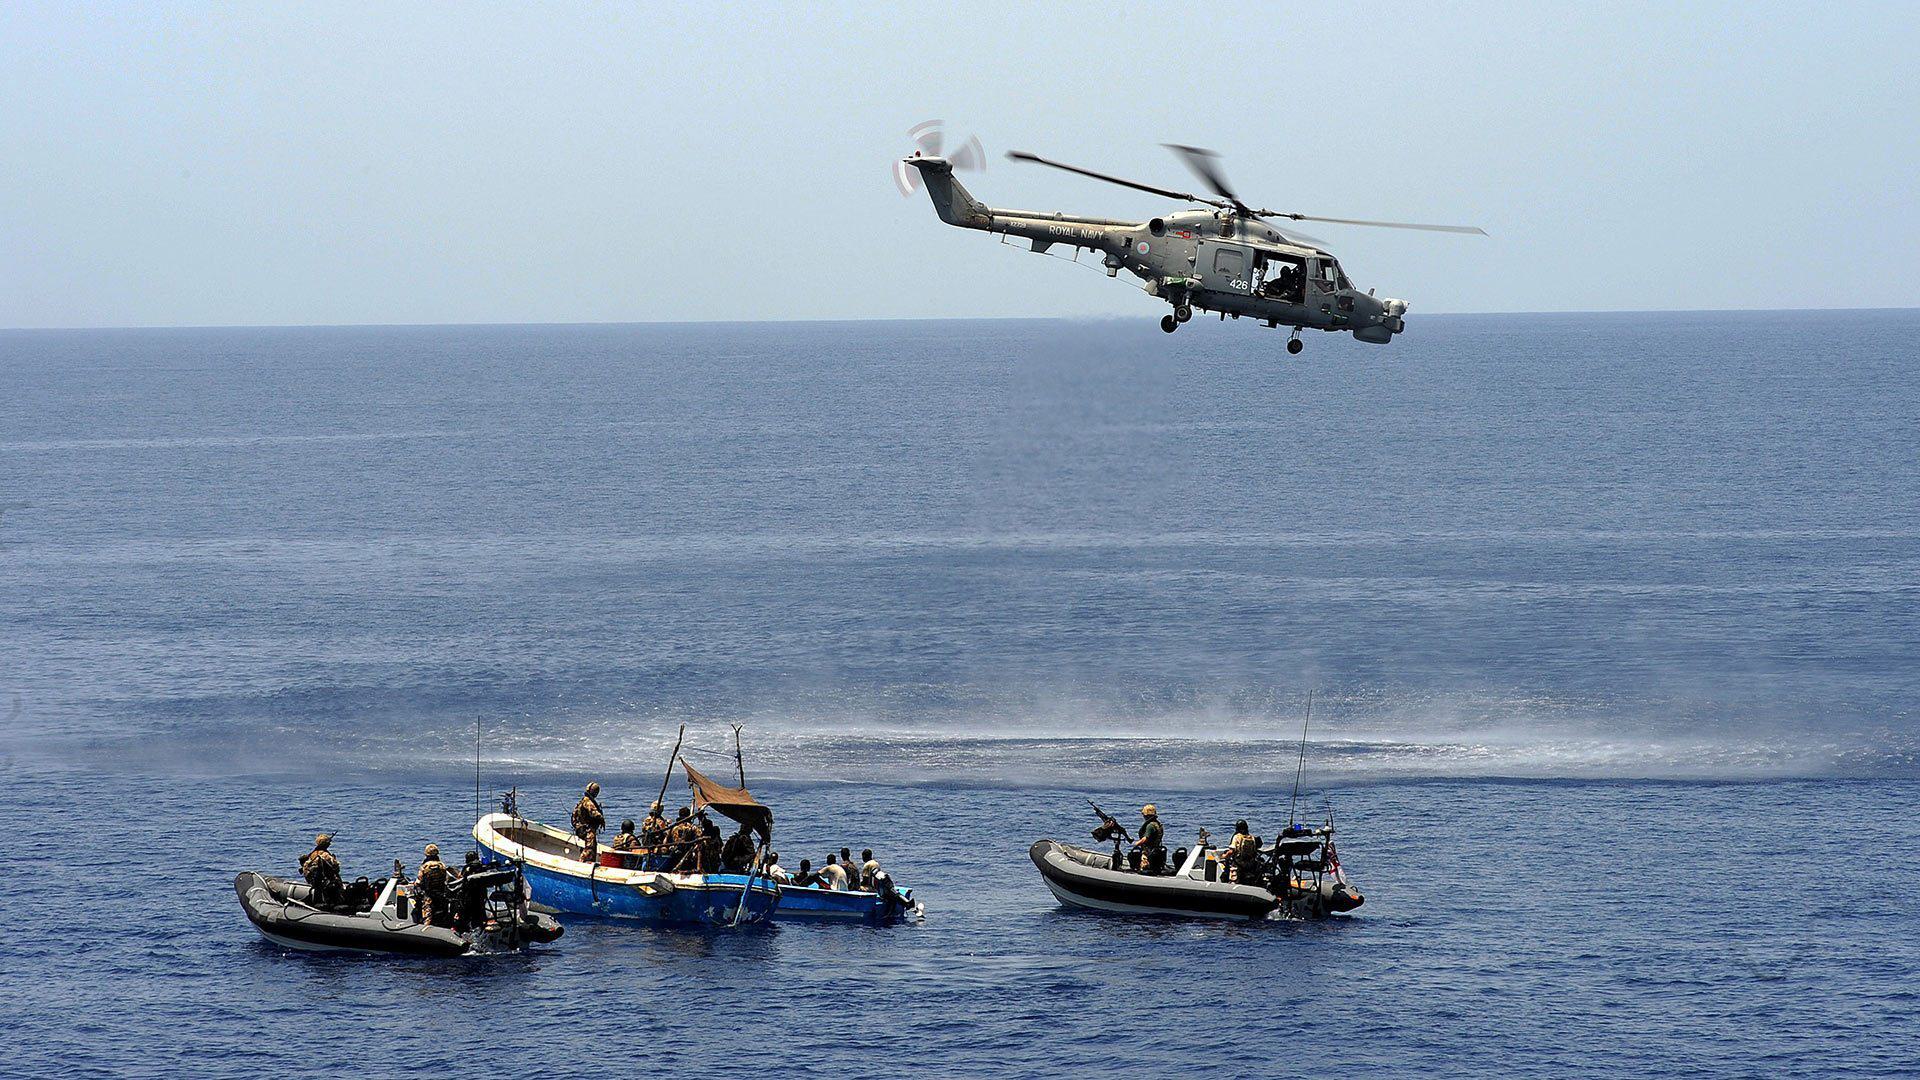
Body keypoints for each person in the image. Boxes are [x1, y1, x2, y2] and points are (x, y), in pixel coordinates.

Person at [299, 833, 343, 908]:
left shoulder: (313, 854)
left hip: (314, 880)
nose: (329, 844)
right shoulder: (325, 855)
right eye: (328, 843)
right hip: (325, 880)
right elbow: (336, 868)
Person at [414, 843, 451, 927]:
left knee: (427, 916)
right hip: (441, 895)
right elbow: (446, 880)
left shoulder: (425, 866)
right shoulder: (442, 865)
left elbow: (418, 882)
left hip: (428, 896)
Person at [571, 782, 605, 863]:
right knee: (590, 848)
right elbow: (594, 813)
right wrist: (601, 819)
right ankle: (582, 862)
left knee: (592, 847)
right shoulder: (588, 802)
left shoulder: (583, 801)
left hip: (582, 827)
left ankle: (590, 861)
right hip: (587, 829)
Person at [1132, 804, 1166, 874]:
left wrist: (1136, 843)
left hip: (1148, 851)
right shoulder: (1157, 824)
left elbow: (1145, 838)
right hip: (1156, 849)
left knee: (1132, 856)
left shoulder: (1150, 826)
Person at [666, 807, 700, 872]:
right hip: (687, 852)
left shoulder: (674, 827)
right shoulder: (692, 827)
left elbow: (666, 840)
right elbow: (699, 837)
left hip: (674, 852)